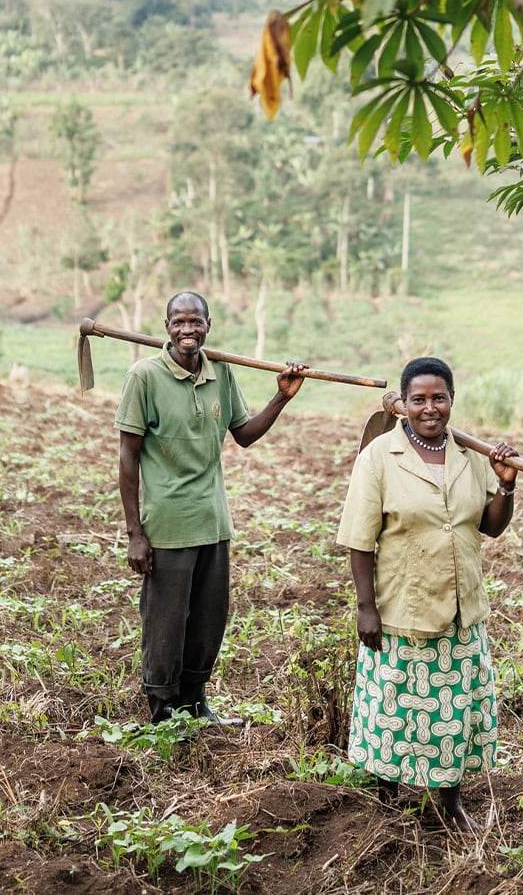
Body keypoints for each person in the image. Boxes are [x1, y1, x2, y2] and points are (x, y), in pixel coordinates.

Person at [336, 355, 518, 833]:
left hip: (460, 607)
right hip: (402, 606)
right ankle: (387, 798)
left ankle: (450, 800)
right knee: (394, 707)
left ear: (452, 400)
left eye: (439, 398)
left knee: (454, 712)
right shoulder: (379, 457)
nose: (430, 408)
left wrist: (505, 487)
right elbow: (359, 538)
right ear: (406, 405)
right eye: (419, 399)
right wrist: (365, 608)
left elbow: (490, 527)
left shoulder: (470, 454)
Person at [116, 290, 307, 724]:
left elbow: (244, 433)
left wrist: (281, 397)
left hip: (213, 521)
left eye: (195, 322)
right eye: (179, 323)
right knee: (165, 622)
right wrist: (135, 534)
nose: (188, 331)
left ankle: (196, 703)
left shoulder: (219, 371)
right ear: (167, 327)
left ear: (208, 325)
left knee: (207, 620)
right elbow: (128, 458)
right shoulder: (144, 377)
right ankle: (163, 709)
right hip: (167, 524)